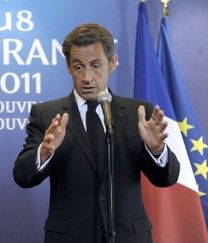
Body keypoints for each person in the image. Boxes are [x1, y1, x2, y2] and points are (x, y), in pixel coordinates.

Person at [13, 23, 180, 243]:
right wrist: (44, 152)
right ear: (68, 67)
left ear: (113, 63)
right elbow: (22, 176)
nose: (87, 77)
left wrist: (157, 150)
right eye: (79, 66)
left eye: (95, 65)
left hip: (128, 237)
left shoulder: (137, 113)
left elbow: (166, 179)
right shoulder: (47, 115)